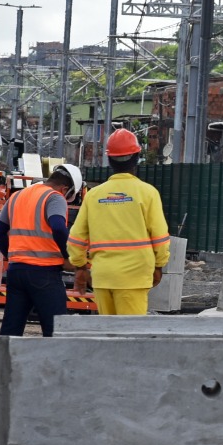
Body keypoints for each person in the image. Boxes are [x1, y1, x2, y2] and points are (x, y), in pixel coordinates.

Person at [68, 129, 170, 316]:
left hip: (103, 275)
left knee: (107, 334)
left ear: (110, 160)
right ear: (137, 157)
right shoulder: (147, 193)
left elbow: (76, 239)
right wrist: (159, 265)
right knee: (129, 335)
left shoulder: (94, 196)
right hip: (135, 276)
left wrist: (80, 267)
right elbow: (160, 237)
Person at [0, 165, 82, 337]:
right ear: (65, 188)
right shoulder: (54, 197)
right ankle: (53, 364)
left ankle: (3, 364)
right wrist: (69, 256)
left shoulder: (17, 196)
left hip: (16, 272)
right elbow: (58, 227)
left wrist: (11, 255)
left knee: (10, 331)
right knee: (56, 332)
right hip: (44, 273)